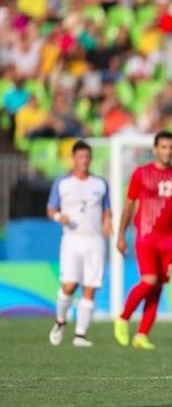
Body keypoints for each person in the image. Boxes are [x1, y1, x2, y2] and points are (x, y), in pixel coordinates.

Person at [114, 131, 172, 349]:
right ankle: (123, 317)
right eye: (163, 147)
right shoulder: (141, 173)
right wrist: (120, 236)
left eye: (171, 147)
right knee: (149, 281)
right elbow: (129, 205)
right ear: (155, 149)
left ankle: (142, 335)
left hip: (170, 240)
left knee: (158, 288)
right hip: (146, 236)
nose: (167, 151)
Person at [47, 140, 112, 347]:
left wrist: (108, 223)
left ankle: (80, 335)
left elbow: (106, 209)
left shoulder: (100, 184)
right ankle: (60, 320)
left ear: (91, 159)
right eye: (80, 157)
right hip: (71, 240)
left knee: (90, 287)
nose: (84, 161)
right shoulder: (62, 183)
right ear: (74, 158)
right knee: (69, 285)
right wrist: (59, 217)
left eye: (87, 157)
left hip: (95, 241)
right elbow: (51, 208)